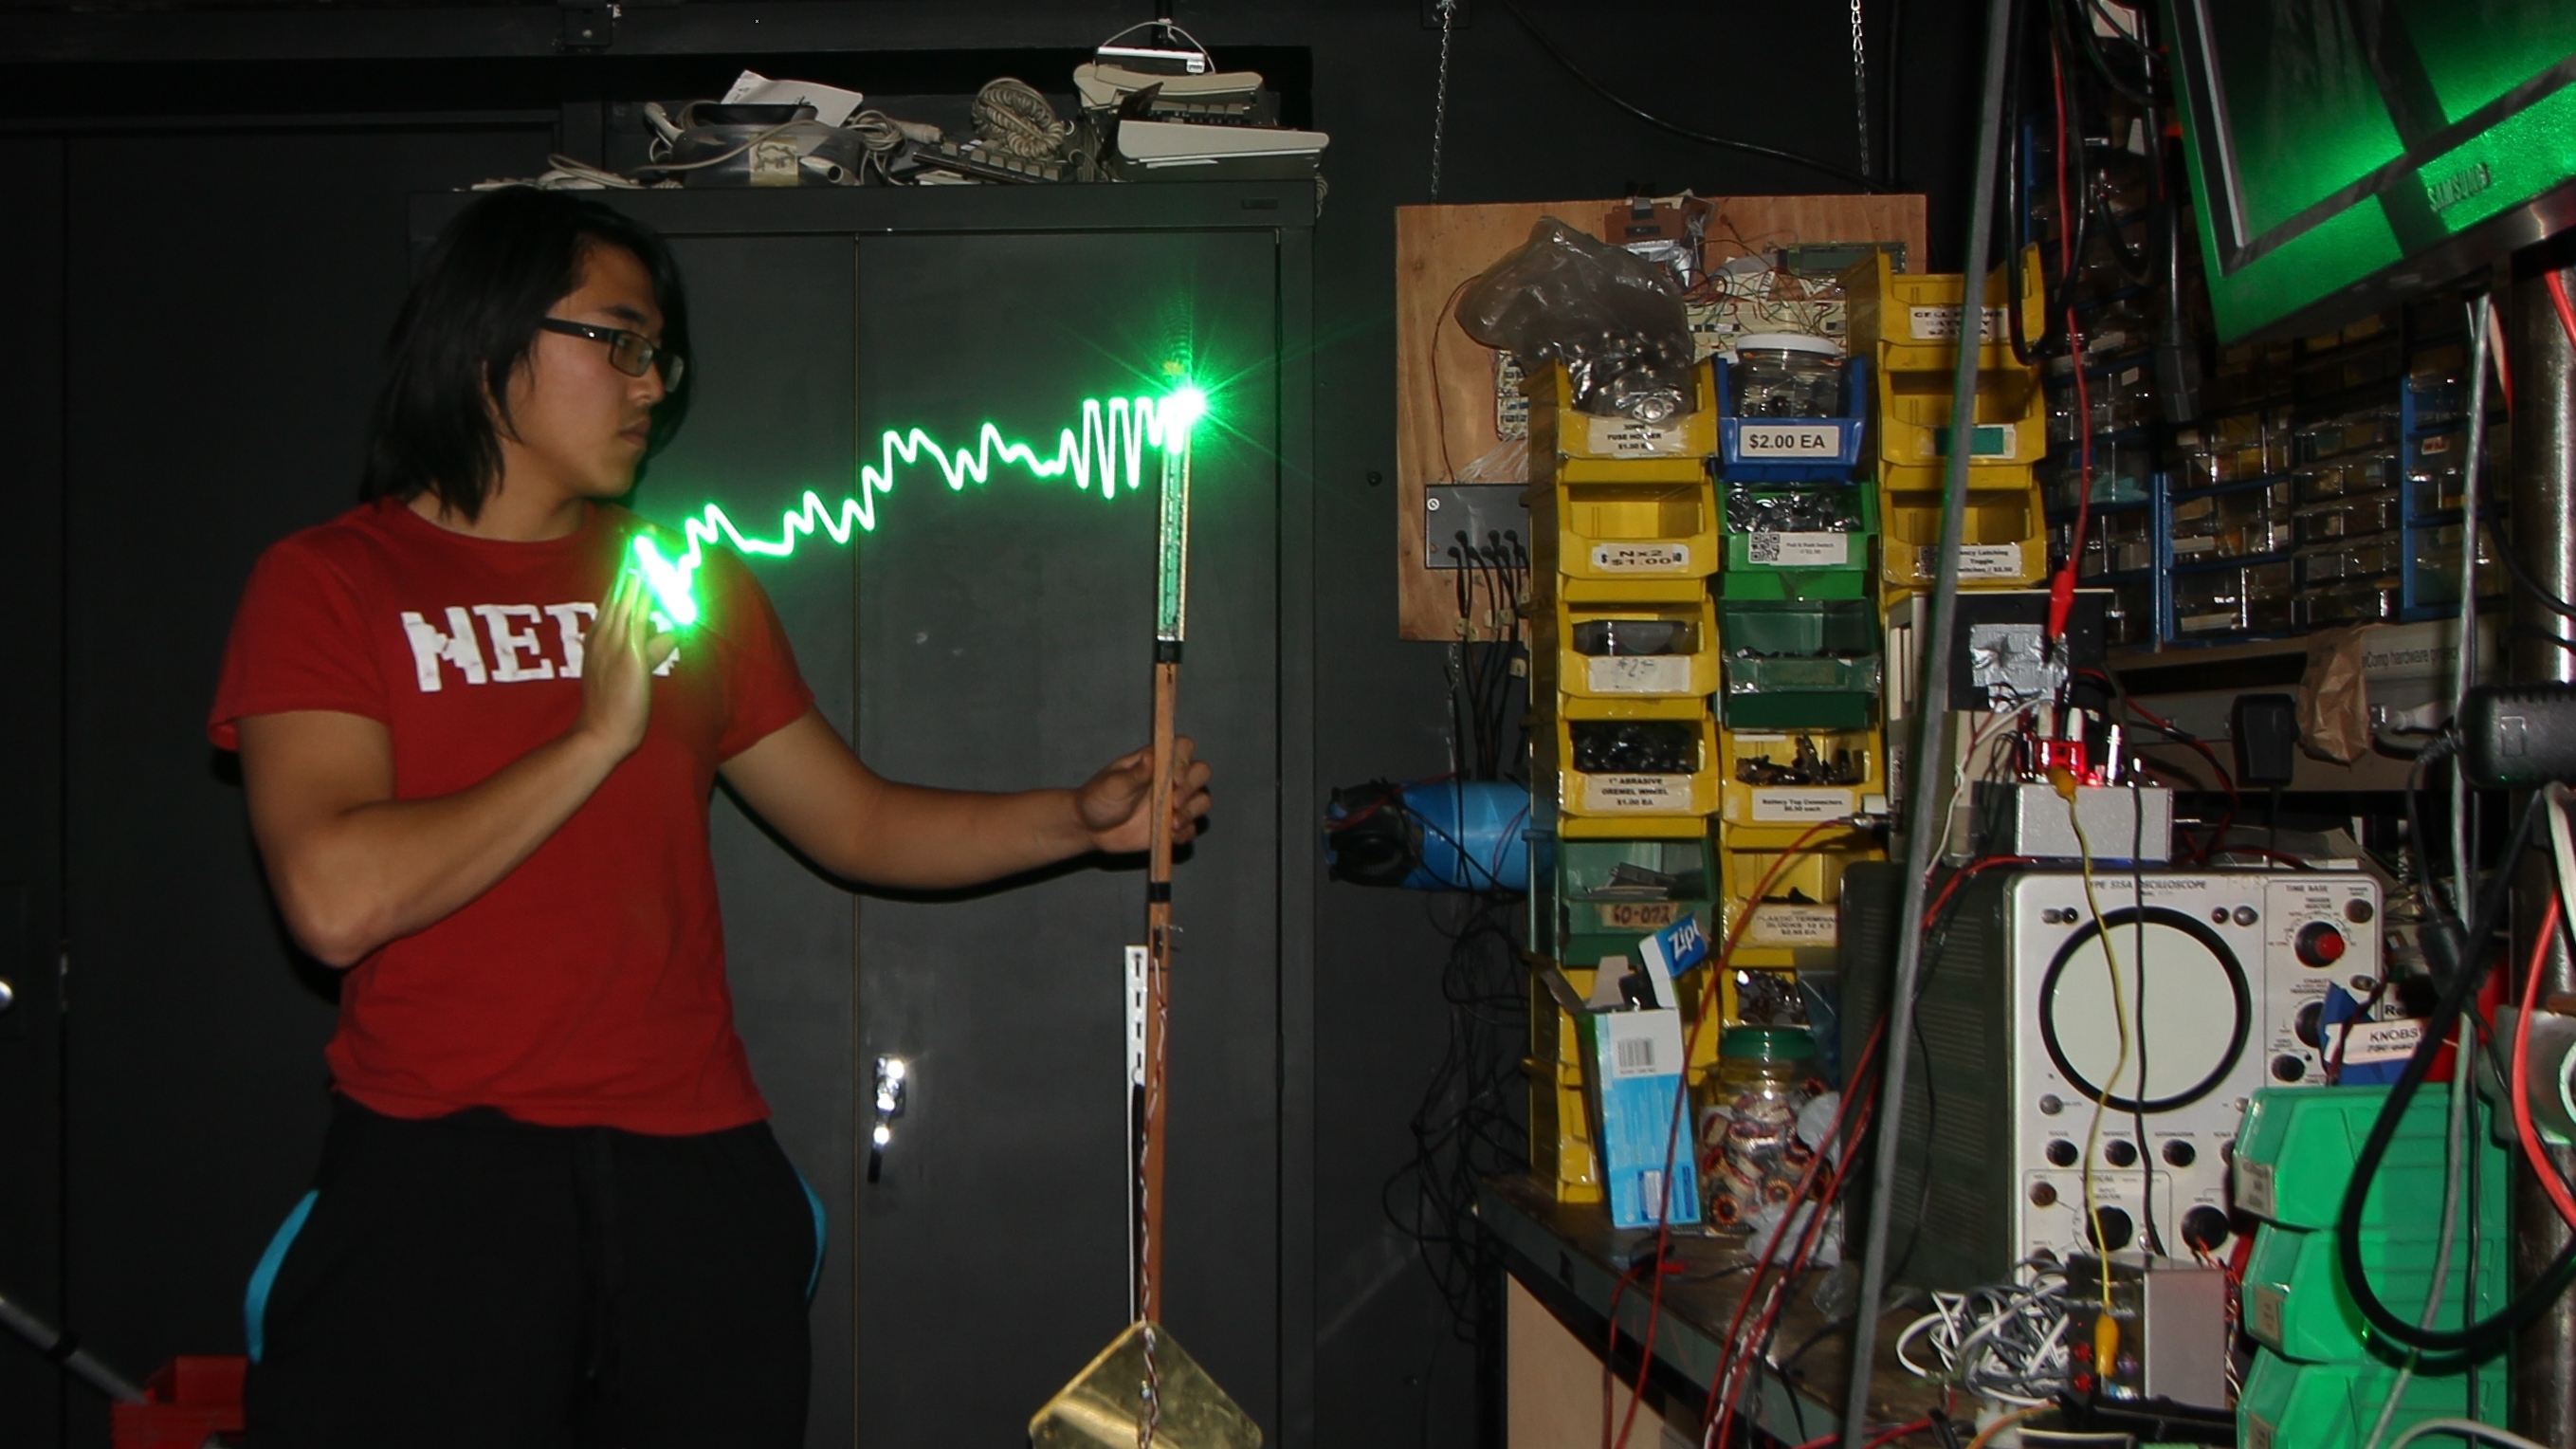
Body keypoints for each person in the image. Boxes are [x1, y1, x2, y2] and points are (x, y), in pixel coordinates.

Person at [207, 187, 1213, 1448]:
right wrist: (594, 738)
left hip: (694, 1169)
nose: (651, 386)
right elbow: (334, 899)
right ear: (483, 344)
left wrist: (1078, 819)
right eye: (617, 343)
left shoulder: (685, 577)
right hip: (442, 1174)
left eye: (660, 357)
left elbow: (857, 824)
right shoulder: (332, 580)